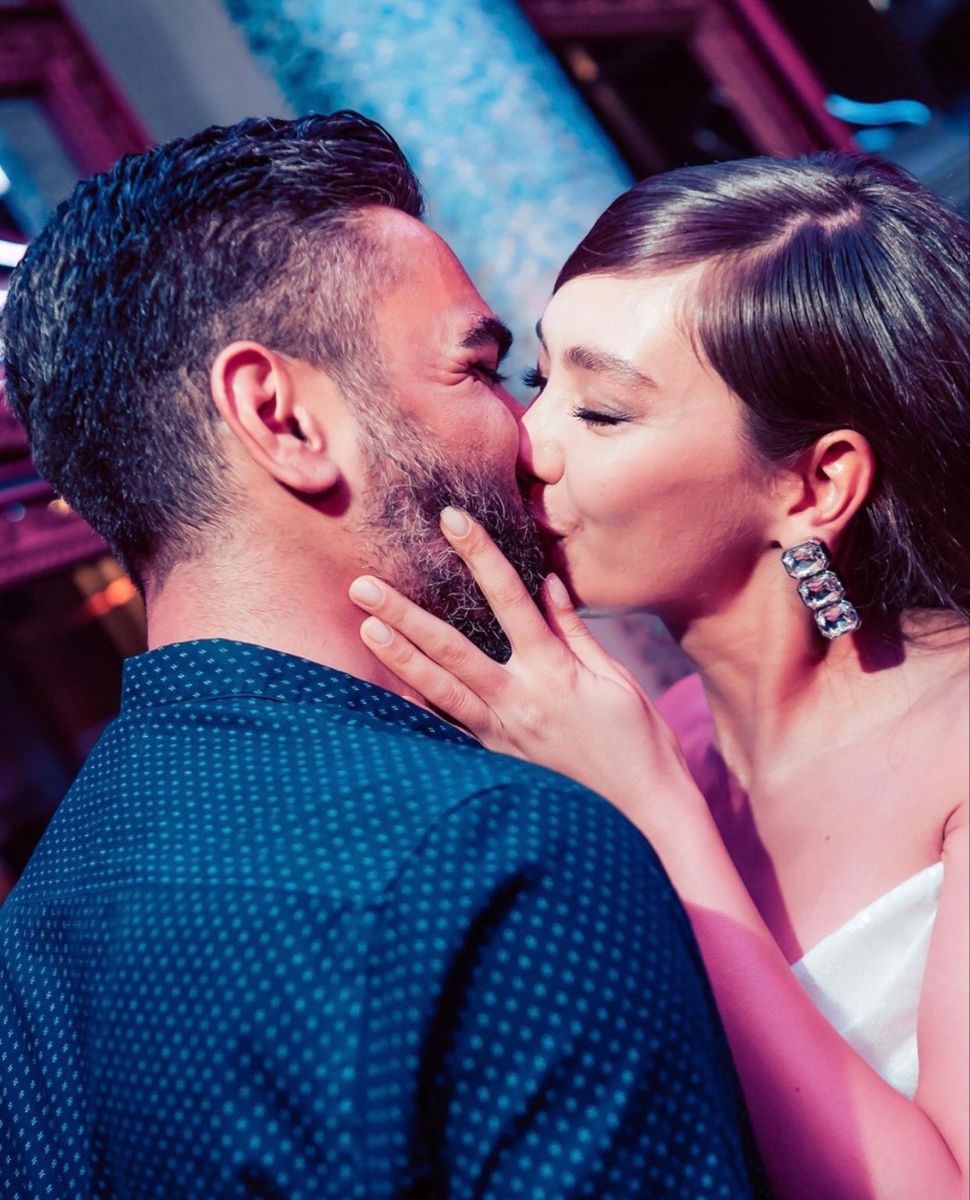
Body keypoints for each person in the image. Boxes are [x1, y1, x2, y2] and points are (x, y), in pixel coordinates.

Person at [0, 113, 767, 1198]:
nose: (529, 438)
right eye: (480, 369)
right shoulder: (502, 857)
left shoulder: (43, 913)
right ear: (282, 418)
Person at [347, 153, 970, 1200]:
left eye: (600, 412)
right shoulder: (647, 738)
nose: (524, 442)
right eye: (537, 381)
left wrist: (650, 811)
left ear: (816, 484)